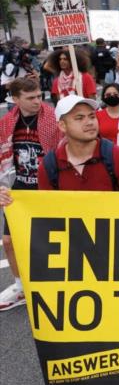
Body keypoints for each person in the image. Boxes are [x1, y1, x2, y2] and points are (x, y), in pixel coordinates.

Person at [0, 95, 119, 385]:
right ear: (61, 126)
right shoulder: (49, 165)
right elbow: (47, 215)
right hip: (82, 258)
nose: (90, 121)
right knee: (95, 322)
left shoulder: (116, 157)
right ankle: (100, 382)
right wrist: (15, 203)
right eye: (79, 117)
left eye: (91, 115)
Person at [0, 77, 60, 311]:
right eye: (30, 98)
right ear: (16, 100)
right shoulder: (7, 123)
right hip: (19, 187)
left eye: (39, 96)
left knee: (52, 239)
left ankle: (57, 284)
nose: (38, 101)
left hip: (48, 187)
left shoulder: (53, 118)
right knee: (9, 240)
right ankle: (20, 285)